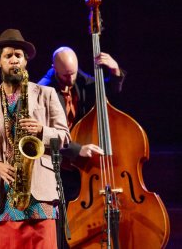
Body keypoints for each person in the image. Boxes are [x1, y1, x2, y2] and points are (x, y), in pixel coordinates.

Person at [0, 29, 71, 249]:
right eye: (8, 56)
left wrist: (41, 131)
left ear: (25, 61)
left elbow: (64, 136)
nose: (14, 59)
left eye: (19, 55)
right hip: (3, 196)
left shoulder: (47, 94)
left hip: (40, 194)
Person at [38, 46, 125, 248]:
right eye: (66, 75)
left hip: (83, 170)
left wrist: (115, 72)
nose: (71, 79)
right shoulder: (42, 91)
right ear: (54, 68)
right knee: (63, 224)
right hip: (58, 166)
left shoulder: (80, 80)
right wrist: (78, 149)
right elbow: (42, 134)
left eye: (74, 73)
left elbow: (106, 94)